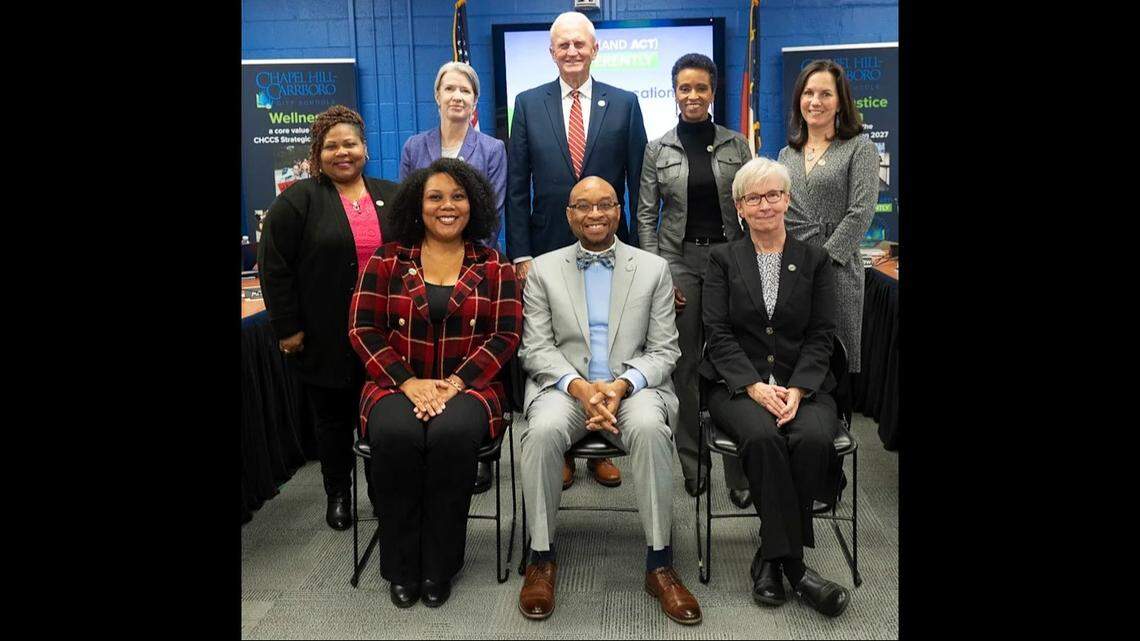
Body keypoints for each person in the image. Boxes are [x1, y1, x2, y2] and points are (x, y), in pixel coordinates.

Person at [515, 176, 701, 626]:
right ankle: (541, 556)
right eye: (583, 206)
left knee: (653, 430)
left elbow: (664, 350)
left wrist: (620, 387)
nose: (594, 214)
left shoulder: (653, 268)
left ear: (619, 211)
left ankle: (660, 562)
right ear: (569, 214)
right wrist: (580, 387)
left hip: (632, 387)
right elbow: (535, 348)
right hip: (565, 388)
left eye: (604, 205)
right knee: (539, 433)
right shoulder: (543, 268)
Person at [347, 158, 522, 609]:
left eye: (458, 197)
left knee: (450, 436)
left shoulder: (494, 264)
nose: (448, 206)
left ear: (474, 204)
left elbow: (506, 335)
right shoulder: (388, 259)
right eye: (436, 197)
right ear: (417, 205)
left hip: (470, 388)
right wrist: (408, 383)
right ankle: (402, 566)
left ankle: (440, 566)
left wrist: (454, 384)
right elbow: (363, 329)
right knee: (396, 435)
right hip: (394, 384)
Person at [699, 157, 850, 618]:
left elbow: (822, 333)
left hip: (803, 384)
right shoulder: (722, 259)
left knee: (812, 437)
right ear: (739, 207)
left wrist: (799, 390)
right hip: (734, 384)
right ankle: (798, 570)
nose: (764, 205)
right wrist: (752, 386)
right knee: (762, 437)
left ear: (787, 199)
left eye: (773, 195)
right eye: (753, 198)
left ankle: (770, 556)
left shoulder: (815, 258)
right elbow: (717, 332)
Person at [507, 10, 649, 488]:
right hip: (547, 243)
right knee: (561, 342)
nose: (571, 51)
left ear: (594, 50)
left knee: (603, 341)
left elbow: (639, 185)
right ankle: (565, 448)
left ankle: (601, 451)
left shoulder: (625, 104)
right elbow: (515, 186)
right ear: (551, 52)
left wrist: (644, 256)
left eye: (579, 44)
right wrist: (522, 255)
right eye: (562, 45)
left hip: (612, 244)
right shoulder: (527, 104)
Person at [258, 105, 398, 531]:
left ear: (365, 149)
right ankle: (338, 494)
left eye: (350, 143)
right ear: (317, 153)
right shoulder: (296, 201)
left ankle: (381, 491)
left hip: (386, 334)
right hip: (324, 335)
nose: (343, 152)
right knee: (333, 420)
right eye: (331, 145)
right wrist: (289, 327)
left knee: (383, 417)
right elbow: (274, 266)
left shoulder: (390, 195)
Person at [636, 52, 754, 507]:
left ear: (713, 91)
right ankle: (693, 463)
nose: (692, 95)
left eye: (700, 87)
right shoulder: (658, 149)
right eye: (684, 88)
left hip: (729, 263)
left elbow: (749, 204)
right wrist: (659, 272)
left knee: (733, 362)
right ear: (675, 91)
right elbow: (646, 215)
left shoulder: (736, 145)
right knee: (683, 366)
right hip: (677, 263)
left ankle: (739, 468)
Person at [399, 60, 508, 493]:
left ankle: (473, 446)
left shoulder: (493, 149)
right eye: (450, 89)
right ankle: (425, 429)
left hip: (476, 262)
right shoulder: (414, 146)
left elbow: (492, 210)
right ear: (438, 95)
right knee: (427, 349)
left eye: (466, 90)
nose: (457, 96)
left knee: (473, 349)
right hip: (425, 260)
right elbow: (409, 204)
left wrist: (461, 247)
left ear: (475, 100)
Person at [777, 59, 879, 374]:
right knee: (794, 359)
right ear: (799, 100)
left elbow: (861, 212)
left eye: (826, 94)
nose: (815, 102)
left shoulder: (859, 148)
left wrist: (821, 261)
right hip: (791, 269)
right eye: (808, 93)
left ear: (840, 103)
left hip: (836, 269)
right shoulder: (786, 154)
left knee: (836, 360)